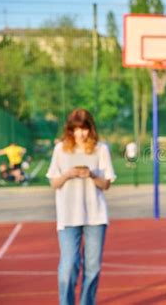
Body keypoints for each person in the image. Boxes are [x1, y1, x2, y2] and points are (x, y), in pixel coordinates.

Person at [46, 109, 116, 305]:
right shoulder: (60, 149)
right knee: (68, 268)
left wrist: (92, 175)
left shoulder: (101, 149)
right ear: (70, 130)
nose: (80, 134)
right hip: (68, 217)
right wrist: (68, 173)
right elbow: (54, 183)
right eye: (76, 129)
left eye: (84, 129)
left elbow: (106, 185)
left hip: (95, 217)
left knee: (93, 269)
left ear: (90, 129)